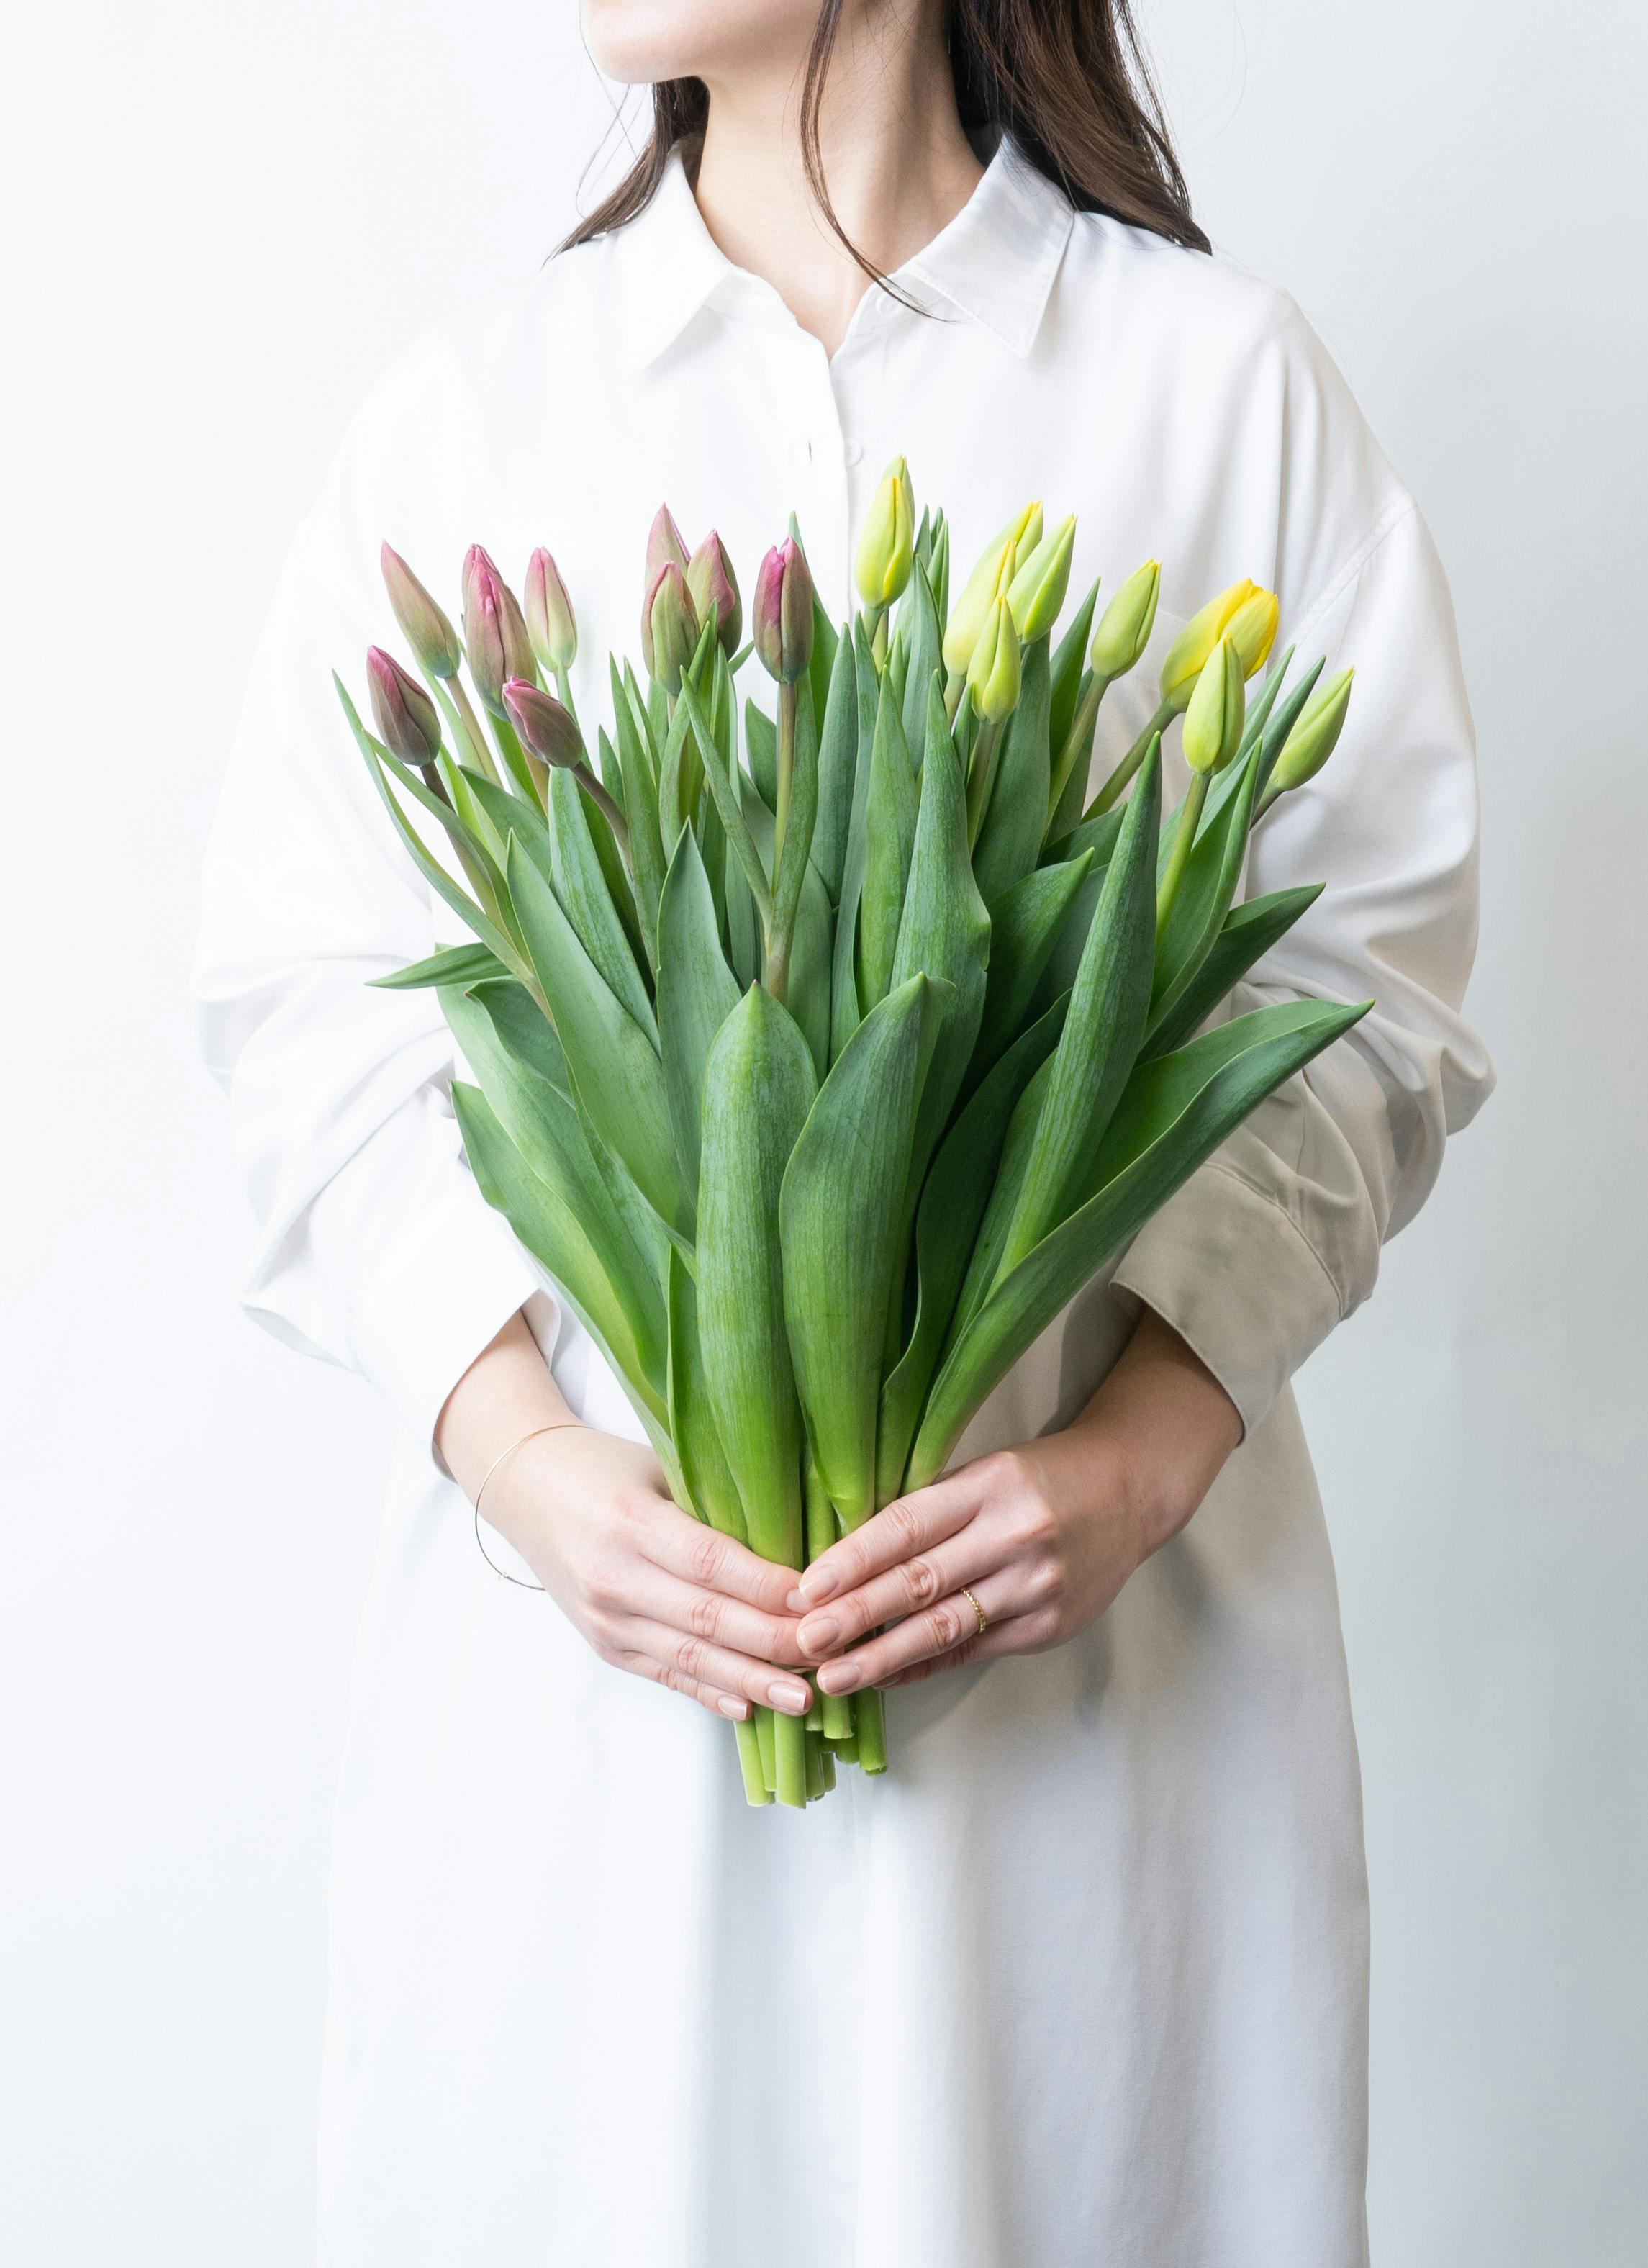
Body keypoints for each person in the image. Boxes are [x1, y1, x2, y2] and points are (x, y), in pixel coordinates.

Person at [194, 2, 1492, 2260]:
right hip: (598, 1690)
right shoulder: (479, 410)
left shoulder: (1207, 385)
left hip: (1090, 1671)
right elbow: (302, 1009)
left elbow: (1364, 987)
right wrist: (526, 1466)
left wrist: (1144, 1452)